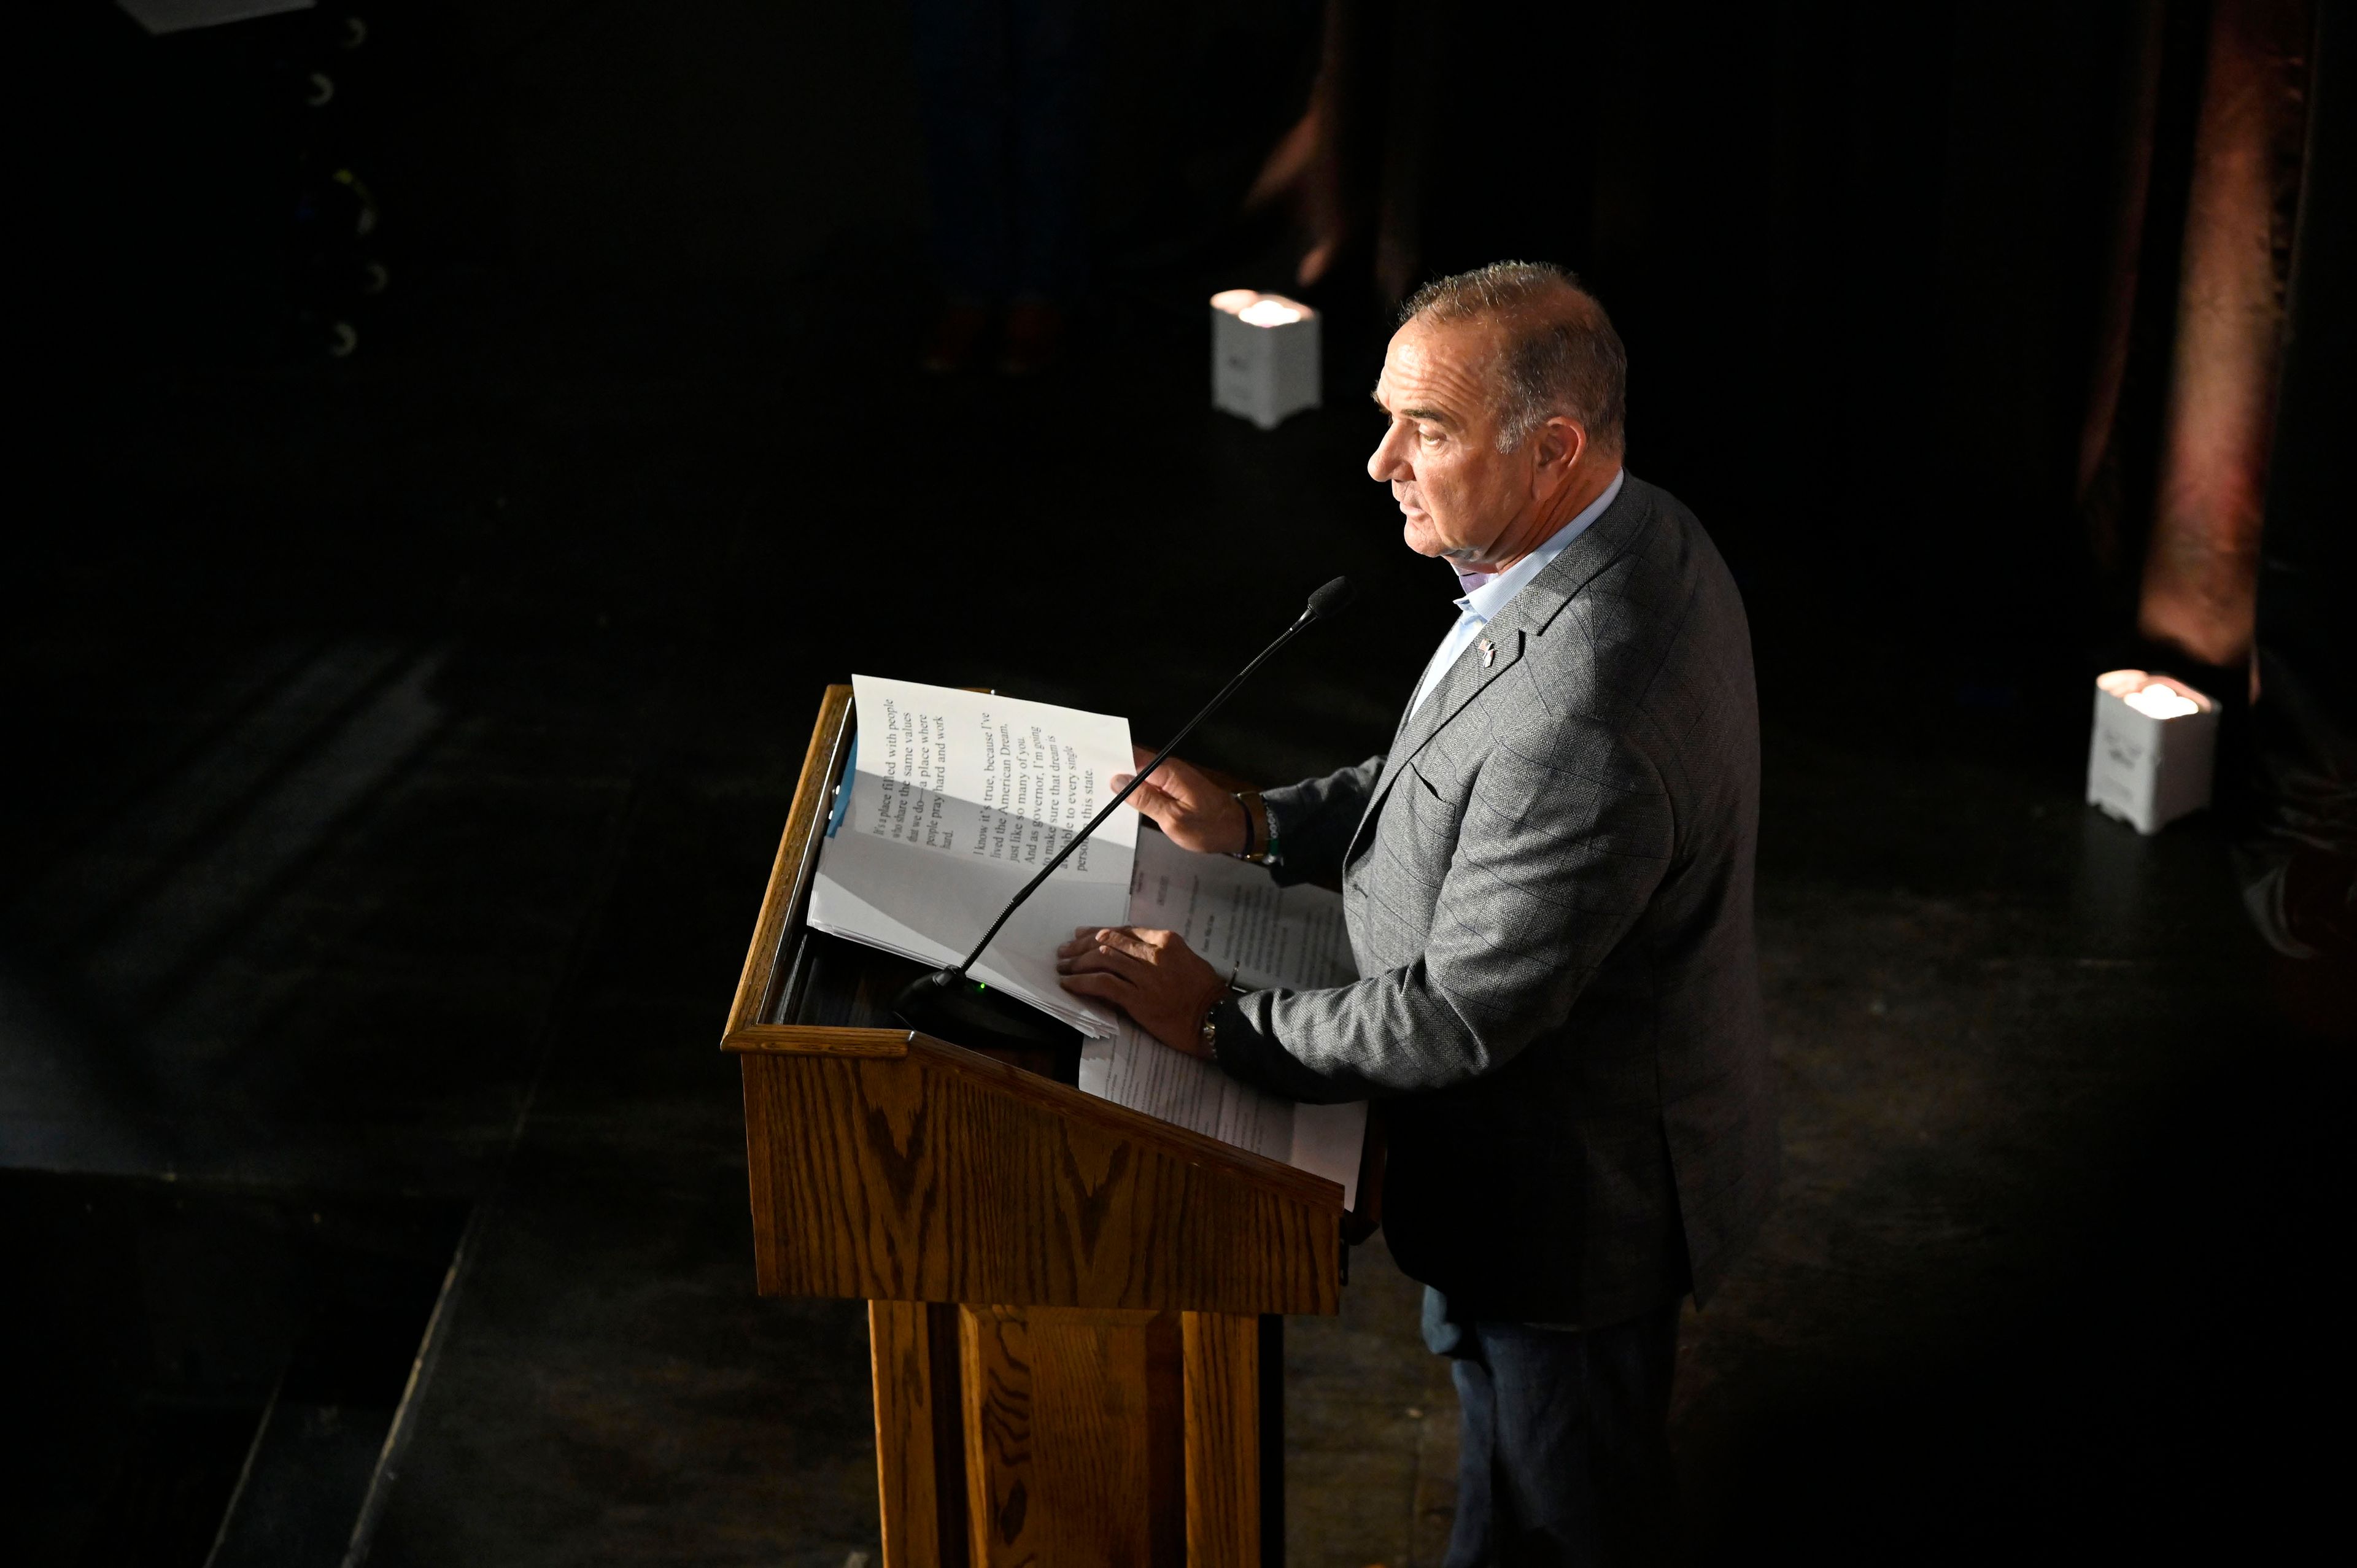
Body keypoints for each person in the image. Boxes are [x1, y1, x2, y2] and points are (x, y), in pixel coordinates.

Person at [1057, 261, 1777, 1566]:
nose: (1380, 460)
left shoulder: (1592, 707)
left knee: (1582, 1512)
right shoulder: (1623, 530)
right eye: (1387, 417)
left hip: (1566, 1219)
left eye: (1426, 431)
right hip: (1494, 1180)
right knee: (1504, 1493)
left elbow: (1459, 1011)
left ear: (1553, 448)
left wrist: (1218, 1022)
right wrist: (1265, 824)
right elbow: (1454, 778)